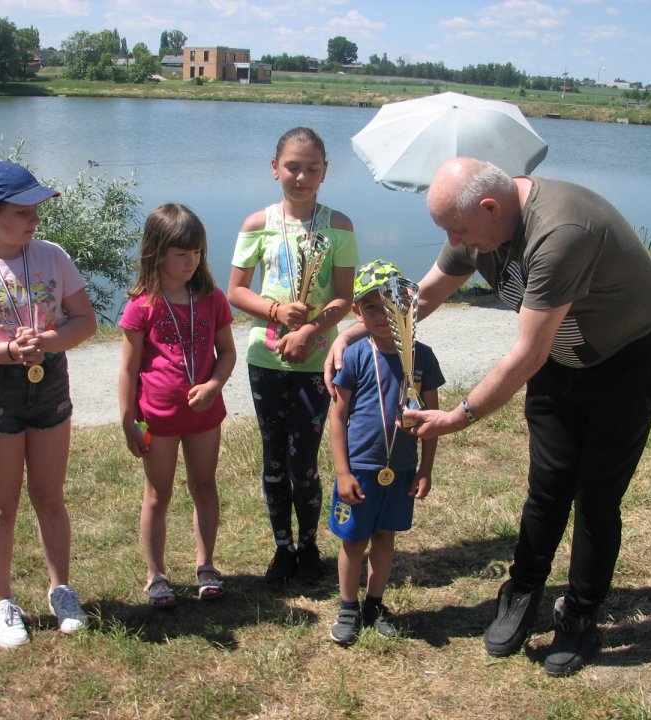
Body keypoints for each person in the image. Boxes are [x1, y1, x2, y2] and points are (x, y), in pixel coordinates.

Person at [326, 157, 651, 676]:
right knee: (548, 484)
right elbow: (420, 299)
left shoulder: (561, 233)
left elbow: (527, 353)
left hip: (629, 357)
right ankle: (522, 591)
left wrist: (460, 415)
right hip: (563, 354)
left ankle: (580, 615)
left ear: (491, 209)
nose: (451, 239)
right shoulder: (477, 227)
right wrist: (351, 333)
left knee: (596, 493)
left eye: (456, 229)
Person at [0, 160, 98, 649]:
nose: (34, 219)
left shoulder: (52, 256)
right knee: (2, 506)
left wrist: (47, 343)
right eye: (23, 210)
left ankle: (61, 589)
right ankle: (1, 602)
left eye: (36, 209)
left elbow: (85, 321)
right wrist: (8, 351)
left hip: (48, 387)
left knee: (50, 498)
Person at [227, 127, 359, 585]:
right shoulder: (256, 224)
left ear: (325, 173)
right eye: (292, 167)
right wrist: (278, 310)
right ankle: (281, 547)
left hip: (317, 362)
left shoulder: (339, 226)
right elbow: (236, 291)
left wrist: (310, 330)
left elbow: (345, 297)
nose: (301, 177)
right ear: (274, 168)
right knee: (274, 458)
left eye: (312, 168)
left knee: (304, 460)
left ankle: (309, 547)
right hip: (266, 360)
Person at [118, 203, 236, 607]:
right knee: (158, 493)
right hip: (157, 417)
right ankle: (156, 576)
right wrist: (128, 420)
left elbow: (227, 353)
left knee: (204, 485)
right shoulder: (141, 305)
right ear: (157, 252)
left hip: (204, 415)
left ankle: (206, 566)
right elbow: (129, 368)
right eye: (181, 254)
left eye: (197, 253)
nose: (191, 262)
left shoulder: (211, 298)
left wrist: (214, 386)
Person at [327, 260, 443, 645]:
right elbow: (337, 415)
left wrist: (425, 470)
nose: (382, 314)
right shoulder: (356, 355)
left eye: (391, 304)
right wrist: (342, 472)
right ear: (357, 312)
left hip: (402, 469)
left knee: (385, 537)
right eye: (371, 306)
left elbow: (431, 420)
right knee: (353, 541)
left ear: (408, 306)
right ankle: (347, 606)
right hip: (359, 468)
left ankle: (374, 603)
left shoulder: (422, 357)